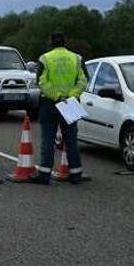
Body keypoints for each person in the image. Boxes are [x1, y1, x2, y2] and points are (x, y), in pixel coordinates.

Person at [30, 32, 88, 185]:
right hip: (71, 102)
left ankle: (44, 174)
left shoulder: (45, 58)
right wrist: (71, 96)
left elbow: (42, 82)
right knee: (71, 140)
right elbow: (83, 81)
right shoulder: (77, 58)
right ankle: (76, 174)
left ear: (51, 43)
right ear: (65, 42)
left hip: (50, 103)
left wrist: (57, 96)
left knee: (48, 140)